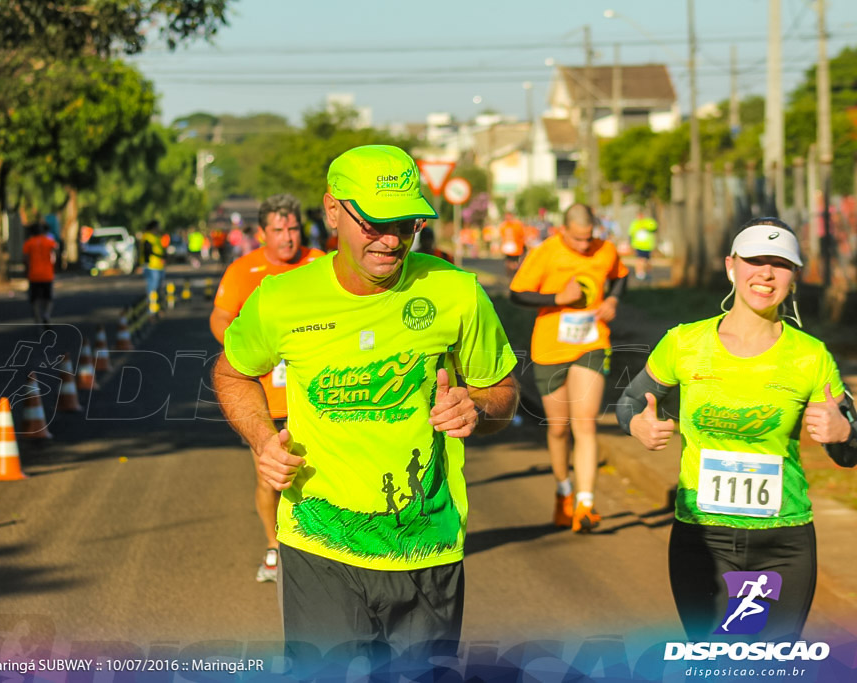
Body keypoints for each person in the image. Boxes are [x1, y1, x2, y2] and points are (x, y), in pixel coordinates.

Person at [212, 145, 518, 668]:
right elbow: (231, 370)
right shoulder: (281, 298)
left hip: (427, 547)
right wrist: (263, 439)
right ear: (333, 211)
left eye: (406, 223)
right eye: (374, 223)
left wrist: (479, 409)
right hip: (319, 544)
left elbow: (504, 390)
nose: (392, 239)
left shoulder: (456, 292)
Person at [616, 217, 857, 641]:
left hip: (784, 540)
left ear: (794, 277)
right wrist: (637, 423)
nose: (766, 273)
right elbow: (630, 402)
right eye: (755, 260)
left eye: (779, 264)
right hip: (701, 537)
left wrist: (842, 432)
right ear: (732, 266)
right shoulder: (684, 343)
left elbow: (849, 450)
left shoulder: (811, 356)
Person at [209, 193, 325, 583]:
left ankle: (324, 547)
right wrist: (252, 353)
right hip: (266, 399)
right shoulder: (244, 270)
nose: (288, 237)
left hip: (319, 393)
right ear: (262, 233)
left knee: (320, 473)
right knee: (269, 475)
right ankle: (274, 545)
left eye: (293, 228)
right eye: (278, 230)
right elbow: (221, 318)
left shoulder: (322, 263)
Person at [509, 203, 629, 533]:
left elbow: (621, 277)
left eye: (588, 237)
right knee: (559, 428)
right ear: (564, 231)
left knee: (584, 423)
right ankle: (564, 492)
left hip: (591, 344)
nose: (583, 245)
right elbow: (517, 294)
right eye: (577, 239)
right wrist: (557, 299)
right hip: (549, 348)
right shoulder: (545, 252)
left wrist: (613, 300)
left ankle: (586, 504)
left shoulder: (605, 250)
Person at [22, 222, 58, 326]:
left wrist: (26, 271)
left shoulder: (28, 243)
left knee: (35, 299)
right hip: (47, 274)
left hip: (33, 275)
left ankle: (37, 318)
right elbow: (56, 251)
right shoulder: (49, 241)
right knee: (49, 298)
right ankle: (46, 315)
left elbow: (25, 258)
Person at [140, 219, 166, 307]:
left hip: (158, 266)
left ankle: (156, 306)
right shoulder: (148, 237)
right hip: (151, 266)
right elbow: (148, 251)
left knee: (157, 288)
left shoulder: (156, 237)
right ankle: (150, 307)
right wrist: (159, 256)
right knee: (152, 288)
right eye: (158, 226)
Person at [629, 210, 658, 280]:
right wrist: (631, 244)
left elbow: (654, 227)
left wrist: (645, 227)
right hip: (638, 245)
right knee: (640, 260)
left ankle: (648, 273)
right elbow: (630, 234)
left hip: (648, 246)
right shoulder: (634, 223)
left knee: (648, 261)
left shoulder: (648, 222)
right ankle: (640, 273)